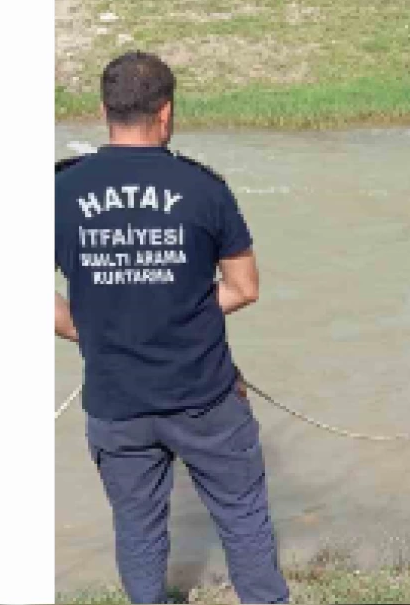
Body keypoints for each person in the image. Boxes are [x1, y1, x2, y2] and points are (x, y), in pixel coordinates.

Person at [53, 53, 290, 604]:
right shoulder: (203, 187)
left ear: (104, 110)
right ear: (166, 113)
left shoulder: (58, 190)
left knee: (138, 530)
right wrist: (178, 316)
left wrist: (89, 330)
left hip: (114, 401)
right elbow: (245, 286)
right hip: (204, 397)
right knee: (242, 516)